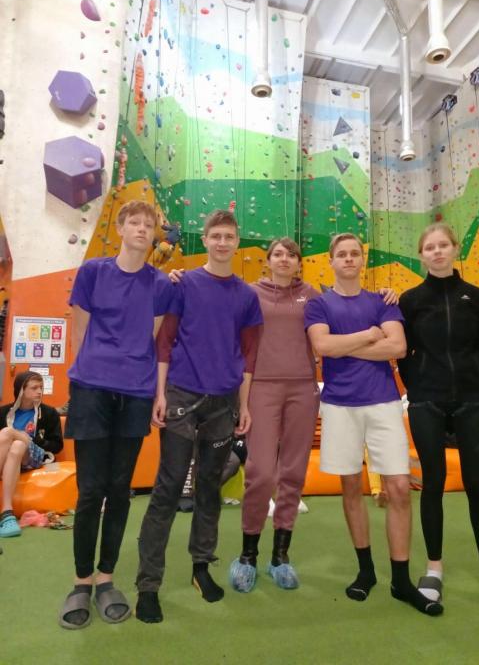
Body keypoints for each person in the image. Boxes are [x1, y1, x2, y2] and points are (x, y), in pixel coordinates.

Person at [135, 209, 263, 624]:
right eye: (216, 235)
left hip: (223, 404)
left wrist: (244, 405)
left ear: (237, 242)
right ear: (205, 240)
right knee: (169, 487)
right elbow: (165, 342)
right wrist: (159, 394)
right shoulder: (183, 284)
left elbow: (249, 357)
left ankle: (200, 567)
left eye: (229, 236)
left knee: (209, 488)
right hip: (181, 397)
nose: (223, 242)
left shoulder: (247, 297)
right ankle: (148, 585)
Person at [305, 232, 442, 617]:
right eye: (342, 254)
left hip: (383, 403)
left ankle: (401, 581)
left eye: (355, 253)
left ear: (362, 260)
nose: (349, 259)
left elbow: (397, 347)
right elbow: (322, 347)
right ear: (331, 261)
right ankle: (365, 572)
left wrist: (346, 346)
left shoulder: (382, 301)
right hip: (339, 407)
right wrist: (368, 336)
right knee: (351, 487)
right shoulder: (319, 305)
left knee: (398, 488)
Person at [59, 200, 175, 629]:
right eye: (135, 222)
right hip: (91, 389)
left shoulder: (160, 284)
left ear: (154, 234)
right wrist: (86, 375)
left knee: (120, 489)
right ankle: (81, 582)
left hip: (136, 393)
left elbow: (153, 337)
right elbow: (79, 329)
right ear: (121, 228)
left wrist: (150, 387)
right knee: (90, 490)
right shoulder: (93, 272)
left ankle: (106, 578)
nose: (142, 229)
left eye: (149, 224)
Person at [398, 222, 479, 610]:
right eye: (430, 247)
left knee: (477, 485)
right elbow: (403, 351)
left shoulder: (477, 297)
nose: (437, 251)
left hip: (471, 400)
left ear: (455, 248)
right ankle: (434, 569)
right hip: (426, 402)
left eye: (443, 245)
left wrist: (473, 380)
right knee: (433, 483)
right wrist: (417, 387)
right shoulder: (411, 300)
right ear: (421, 254)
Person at [229, 238, 321, 592]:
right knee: (261, 472)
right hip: (262, 388)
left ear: (299, 262)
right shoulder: (250, 293)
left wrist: (386, 296)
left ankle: (280, 556)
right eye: (278, 254)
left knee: (293, 473)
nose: (285, 259)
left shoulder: (312, 296)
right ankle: (247, 555)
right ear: (267, 261)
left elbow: (343, 315)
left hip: (303, 389)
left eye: (291, 255)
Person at [0, 371, 63, 537]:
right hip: (10, 455)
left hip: (36, 457)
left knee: (8, 432)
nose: (39, 391)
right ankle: (7, 514)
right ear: (21, 390)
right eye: (34, 388)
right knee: (17, 445)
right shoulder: (3, 412)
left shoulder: (49, 413)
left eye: (41, 387)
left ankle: (7, 513)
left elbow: (57, 445)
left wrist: (35, 440)